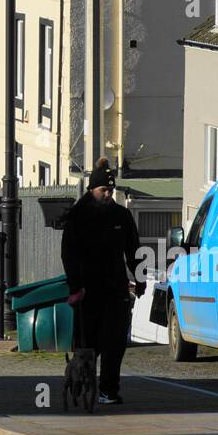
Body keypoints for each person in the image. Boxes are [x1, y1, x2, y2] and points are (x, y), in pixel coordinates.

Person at [60, 157, 146, 405]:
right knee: (88, 347)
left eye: (111, 190)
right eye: (103, 190)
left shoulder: (122, 216)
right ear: (91, 190)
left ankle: (108, 390)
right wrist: (75, 287)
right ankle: (79, 382)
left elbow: (134, 250)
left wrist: (139, 280)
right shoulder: (78, 217)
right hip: (87, 292)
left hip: (115, 290)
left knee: (115, 344)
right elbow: (69, 253)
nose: (108, 195)